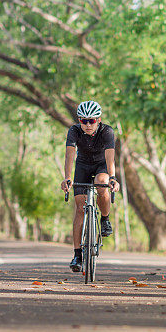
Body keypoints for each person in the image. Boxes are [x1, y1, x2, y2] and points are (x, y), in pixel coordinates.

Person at [60, 100, 120, 272]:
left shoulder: (107, 131)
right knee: (80, 208)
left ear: (98, 120)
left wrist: (113, 177)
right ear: (79, 121)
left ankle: (105, 219)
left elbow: (110, 158)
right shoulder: (74, 131)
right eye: (83, 120)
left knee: (101, 183)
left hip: (101, 165)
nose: (87, 125)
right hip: (83, 166)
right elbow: (69, 155)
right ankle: (77, 254)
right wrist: (67, 178)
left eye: (91, 120)